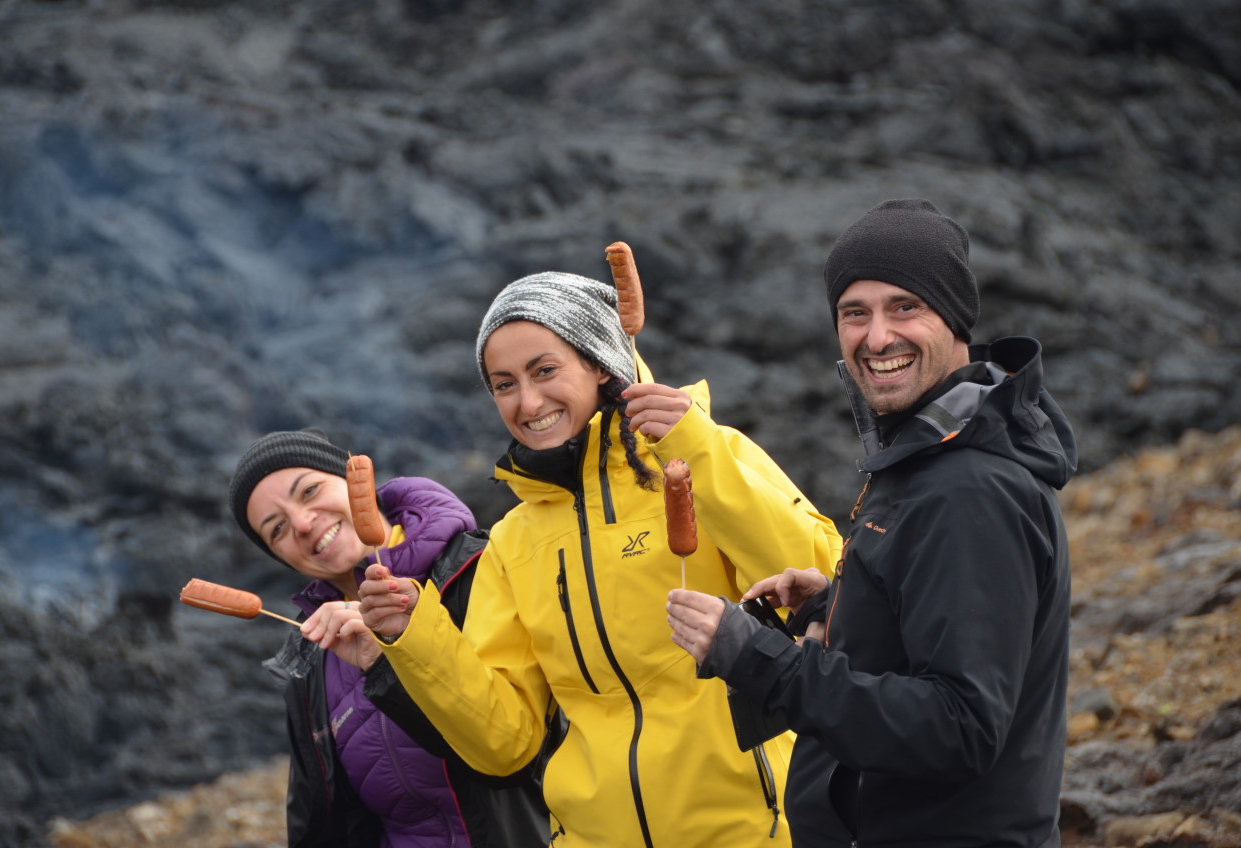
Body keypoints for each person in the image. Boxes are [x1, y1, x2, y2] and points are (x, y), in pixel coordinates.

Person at [312, 271, 844, 848]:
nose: (528, 401)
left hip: (757, 831)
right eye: (503, 384)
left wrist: (697, 450)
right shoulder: (513, 543)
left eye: (545, 370)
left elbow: (822, 584)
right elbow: (505, 742)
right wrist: (414, 636)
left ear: (599, 363)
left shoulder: (711, 452)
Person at [666, 198, 1077, 847]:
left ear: (954, 315)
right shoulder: (929, 455)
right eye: (854, 313)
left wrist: (765, 663)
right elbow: (941, 632)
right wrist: (845, 604)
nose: (876, 337)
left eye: (903, 307)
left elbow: (960, 727)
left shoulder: (969, 490)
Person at [227, 428, 551, 848]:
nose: (303, 524)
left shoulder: (482, 569)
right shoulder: (311, 656)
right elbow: (320, 824)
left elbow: (523, 757)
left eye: (309, 491)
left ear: (354, 483)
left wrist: (389, 661)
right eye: (276, 529)